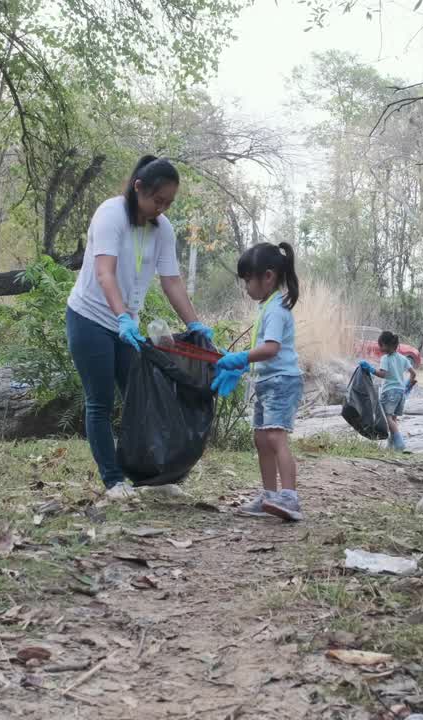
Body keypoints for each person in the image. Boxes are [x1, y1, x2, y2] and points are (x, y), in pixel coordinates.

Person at [66, 155, 213, 501]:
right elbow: (105, 273)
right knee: (99, 402)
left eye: (168, 203)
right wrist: (120, 318)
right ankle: (113, 481)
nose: (161, 208)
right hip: (90, 319)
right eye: (157, 200)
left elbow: (172, 282)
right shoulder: (110, 214)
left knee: (143, 401)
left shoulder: (163, 230)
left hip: (126, 325)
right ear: (138, 189)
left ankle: (152, 477)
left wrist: (194, 323)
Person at [212, 242, 305, 521]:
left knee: (275, 436)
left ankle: (289, 497)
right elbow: (263, 351)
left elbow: (272, 348)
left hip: (282, 381)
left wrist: (240, 359)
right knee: (261, 439)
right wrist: (240, 367)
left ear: (268, 276)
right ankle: (269, 496)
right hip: (267, 380)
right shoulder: (267, 306)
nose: (247, 287)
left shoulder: (276, 309)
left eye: (248, 280)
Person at [359, 331, 417, 452]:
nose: (380, 348)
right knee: (394, 419)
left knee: (387, 417)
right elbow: (413, 373)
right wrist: (407, 385)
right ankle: (391, 445)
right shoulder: (403, 358)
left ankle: (400, 443)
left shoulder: (385, 358)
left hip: (389, 392)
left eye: (381, 345)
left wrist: (370, 369)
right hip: (400, 392)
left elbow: (383, 374)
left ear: (386, 345)